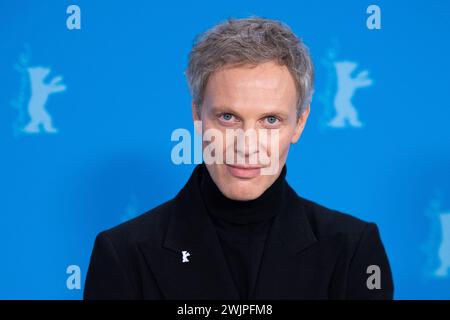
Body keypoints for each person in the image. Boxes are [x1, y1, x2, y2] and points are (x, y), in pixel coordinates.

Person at [84, 16, 394, 300]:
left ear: (299, 124)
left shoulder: (353, 250)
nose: (246, 146)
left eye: (270, 120)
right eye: (228, 117)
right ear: (197, 115)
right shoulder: (123, 255)